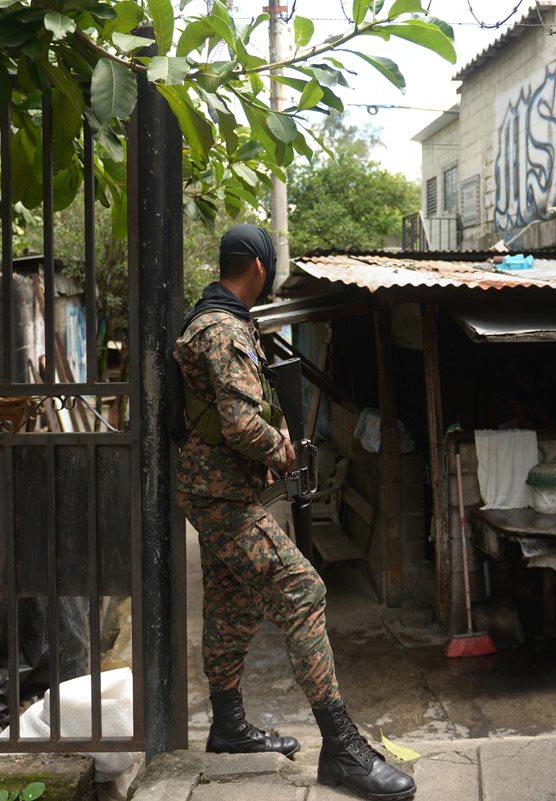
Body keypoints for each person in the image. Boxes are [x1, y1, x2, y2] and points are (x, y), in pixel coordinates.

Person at [172, 224, 416, 801]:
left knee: (232, 605)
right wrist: (283, 450)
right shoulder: (224, 329)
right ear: (259, 266)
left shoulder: (211, 320)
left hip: (219, 494)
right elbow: (238, 424)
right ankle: (341, 749)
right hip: (223, 498)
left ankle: (229, 727)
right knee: (303, 588)